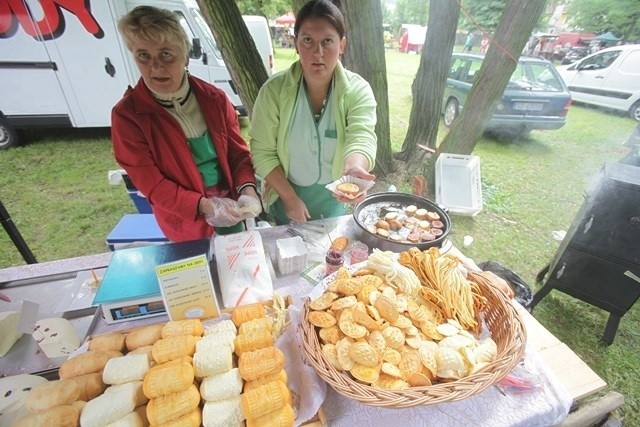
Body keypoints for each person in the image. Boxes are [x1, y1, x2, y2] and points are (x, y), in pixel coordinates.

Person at [111, 6, 261, 242]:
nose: (156, 67)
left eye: (165, 54)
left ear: (185, 54)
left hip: (231, 211)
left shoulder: (215, 99)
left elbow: (237, 155)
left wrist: (247, 189)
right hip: (184, 221)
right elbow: (154, 185)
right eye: (143, 56)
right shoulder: (128, 117)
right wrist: (205, 206)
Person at [250, 0, 377, 225]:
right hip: (286, 192)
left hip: (333, 198)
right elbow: (262, 151)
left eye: (327, 41)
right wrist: (290, 198)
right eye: (308, 40)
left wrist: (355, 168)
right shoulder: (274, 91)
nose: (317, 52)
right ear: (296, 43)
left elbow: (361, 135)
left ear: (342, 45)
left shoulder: (357, 90)